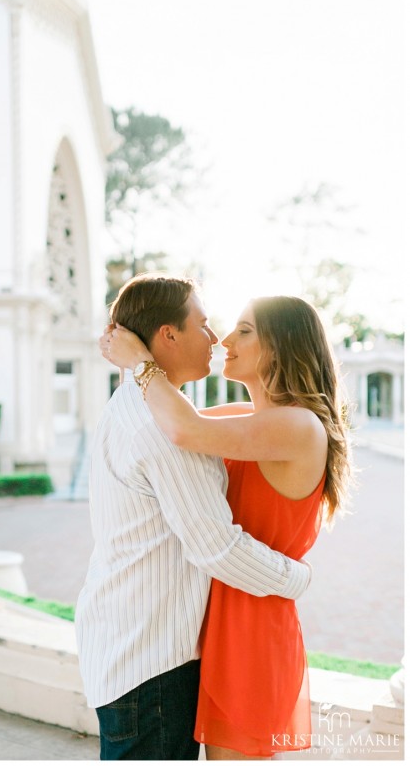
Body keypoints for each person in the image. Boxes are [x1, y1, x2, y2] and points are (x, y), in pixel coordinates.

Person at [102, 293, 352, 760]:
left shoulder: (298, 426)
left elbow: (184, 430)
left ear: (281, 347)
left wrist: (139, 361)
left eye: (245, 330)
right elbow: (166, 421)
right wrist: (135, 351)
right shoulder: (251, 418)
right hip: (225, 616)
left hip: (252, 627)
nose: (225, 340)